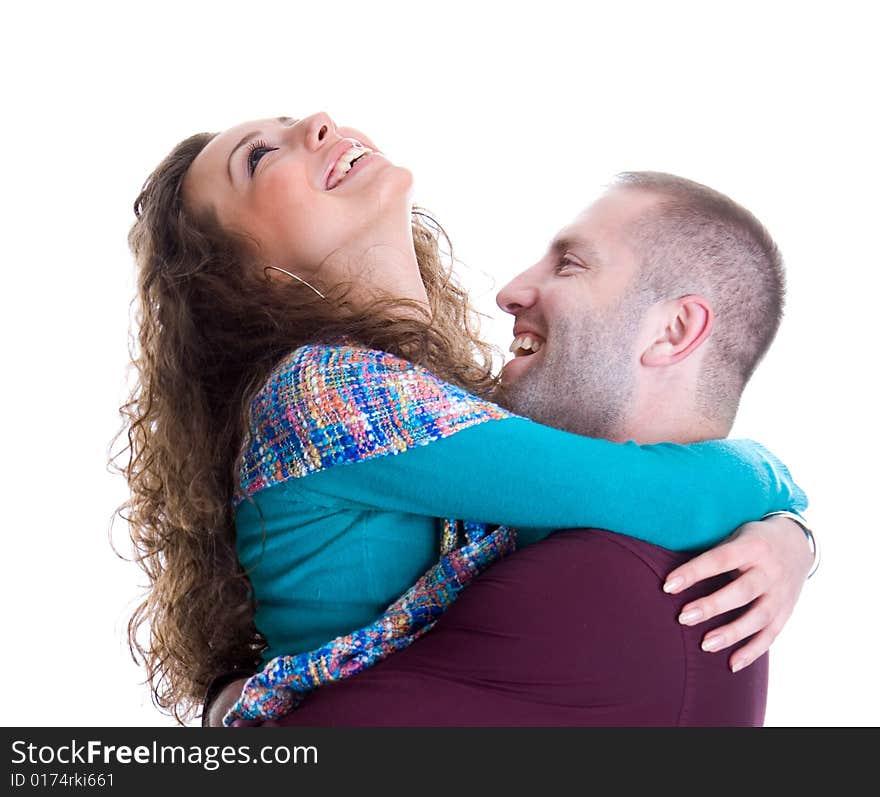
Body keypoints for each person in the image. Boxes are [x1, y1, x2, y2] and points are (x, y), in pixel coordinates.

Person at [115, 113, 807, 726]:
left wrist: (788, 537)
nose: (319, 124)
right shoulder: (327, 392)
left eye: (296, 119)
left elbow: (585, 518)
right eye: (259, 158)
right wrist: (782, 497)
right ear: (248, 278)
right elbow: (637, 491)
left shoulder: (440, 404)